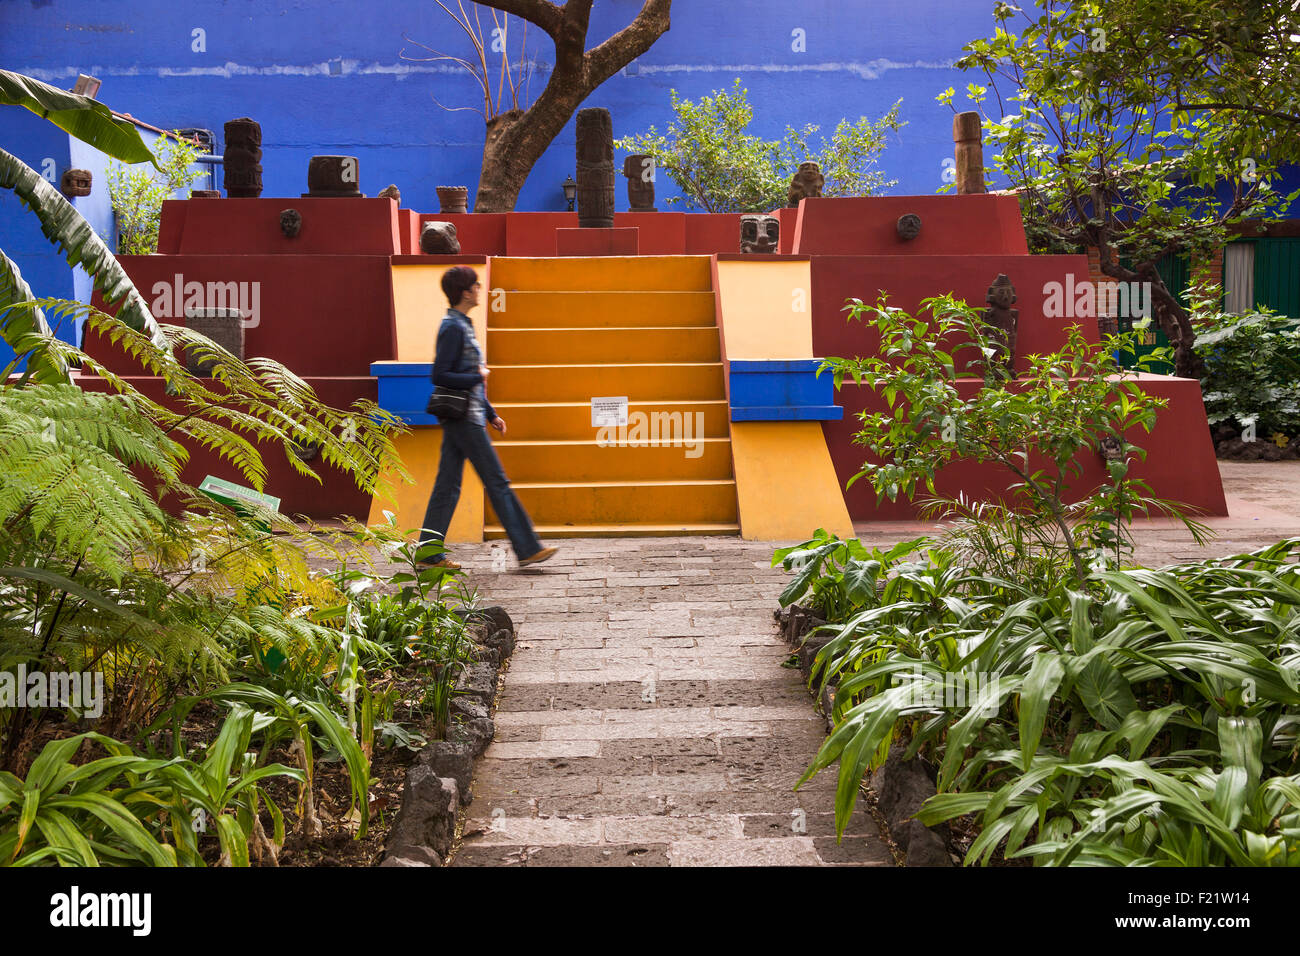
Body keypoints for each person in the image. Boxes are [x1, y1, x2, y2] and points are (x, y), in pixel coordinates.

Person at [418, 266, 557, 570]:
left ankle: (428, 550)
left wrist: (491, 412)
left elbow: (466, 376)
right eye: (476, 285)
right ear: (466, 291)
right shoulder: (452, 327)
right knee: (497, 482)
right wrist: (476, 375)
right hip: (463, 418)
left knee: (448, 484)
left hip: (469, 414)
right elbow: (439, 374)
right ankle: (527, 547)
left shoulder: (462, 324)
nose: (480, 289)